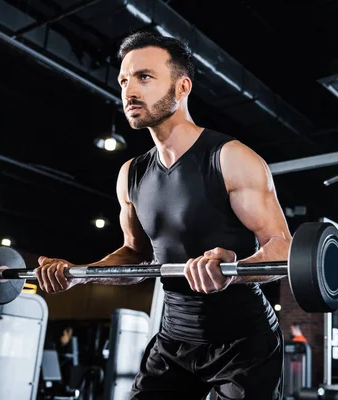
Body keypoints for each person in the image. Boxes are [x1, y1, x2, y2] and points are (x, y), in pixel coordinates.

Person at [35, 30, 292, 399]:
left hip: (244, 344)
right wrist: (80, 274)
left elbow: (282, 248)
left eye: (144, 77)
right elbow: (135, 255)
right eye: (124, 80)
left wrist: (233, 271)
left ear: (182, 86)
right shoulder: (132, 174)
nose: (128, 91)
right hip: (174, 340)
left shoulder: (231, 158)